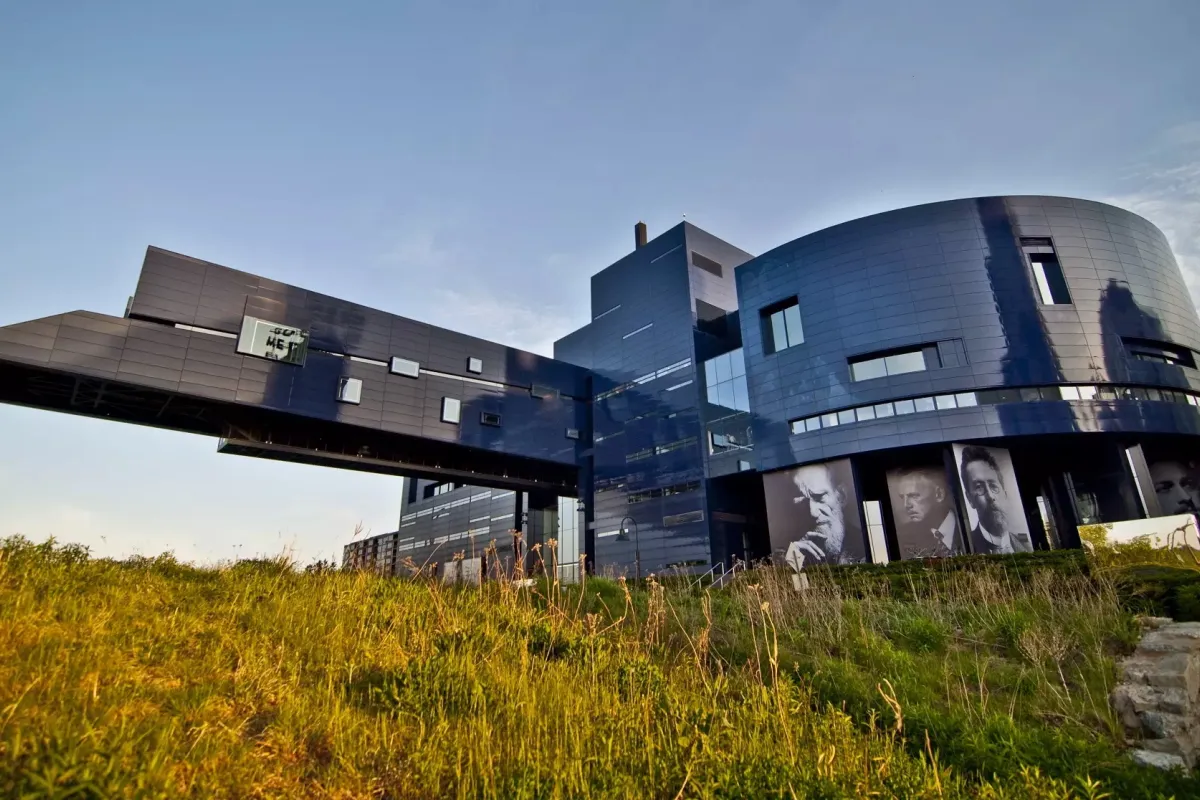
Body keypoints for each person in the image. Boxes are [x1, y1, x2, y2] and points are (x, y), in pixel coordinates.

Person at [783, 462, 861, 568]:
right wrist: (794, 561)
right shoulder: (792, 550)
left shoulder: (864, 547)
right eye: (802, 502)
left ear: (841, 496)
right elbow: (797, 584)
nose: (812, 512)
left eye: (819, 497)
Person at [958, 446, 1032, 554]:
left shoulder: (1026, 546)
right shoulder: (966, 548)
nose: (990, 496)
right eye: (979, 487)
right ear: (969, 499)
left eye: (993, 486)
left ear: (1004, 491)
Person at [892, 468, 961, 558]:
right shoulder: (903, 537)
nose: (906, 505)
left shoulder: (968, 526)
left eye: (913, 496)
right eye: (902, 497)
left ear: (939, 494)